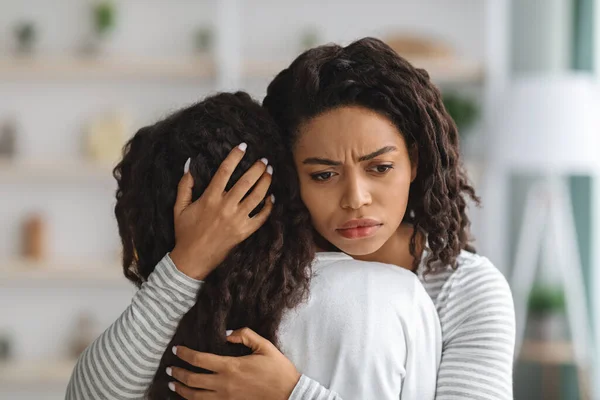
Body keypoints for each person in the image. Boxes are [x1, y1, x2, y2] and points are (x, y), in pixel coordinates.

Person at [69, 36, 515, 400]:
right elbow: (90, 395)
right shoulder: (260, 269)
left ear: (415, 163)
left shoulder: (468, 291)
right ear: (288, 174)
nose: (355, 199)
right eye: (323, 174)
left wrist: (291, 394)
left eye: (380, 168)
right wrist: (187, 261)